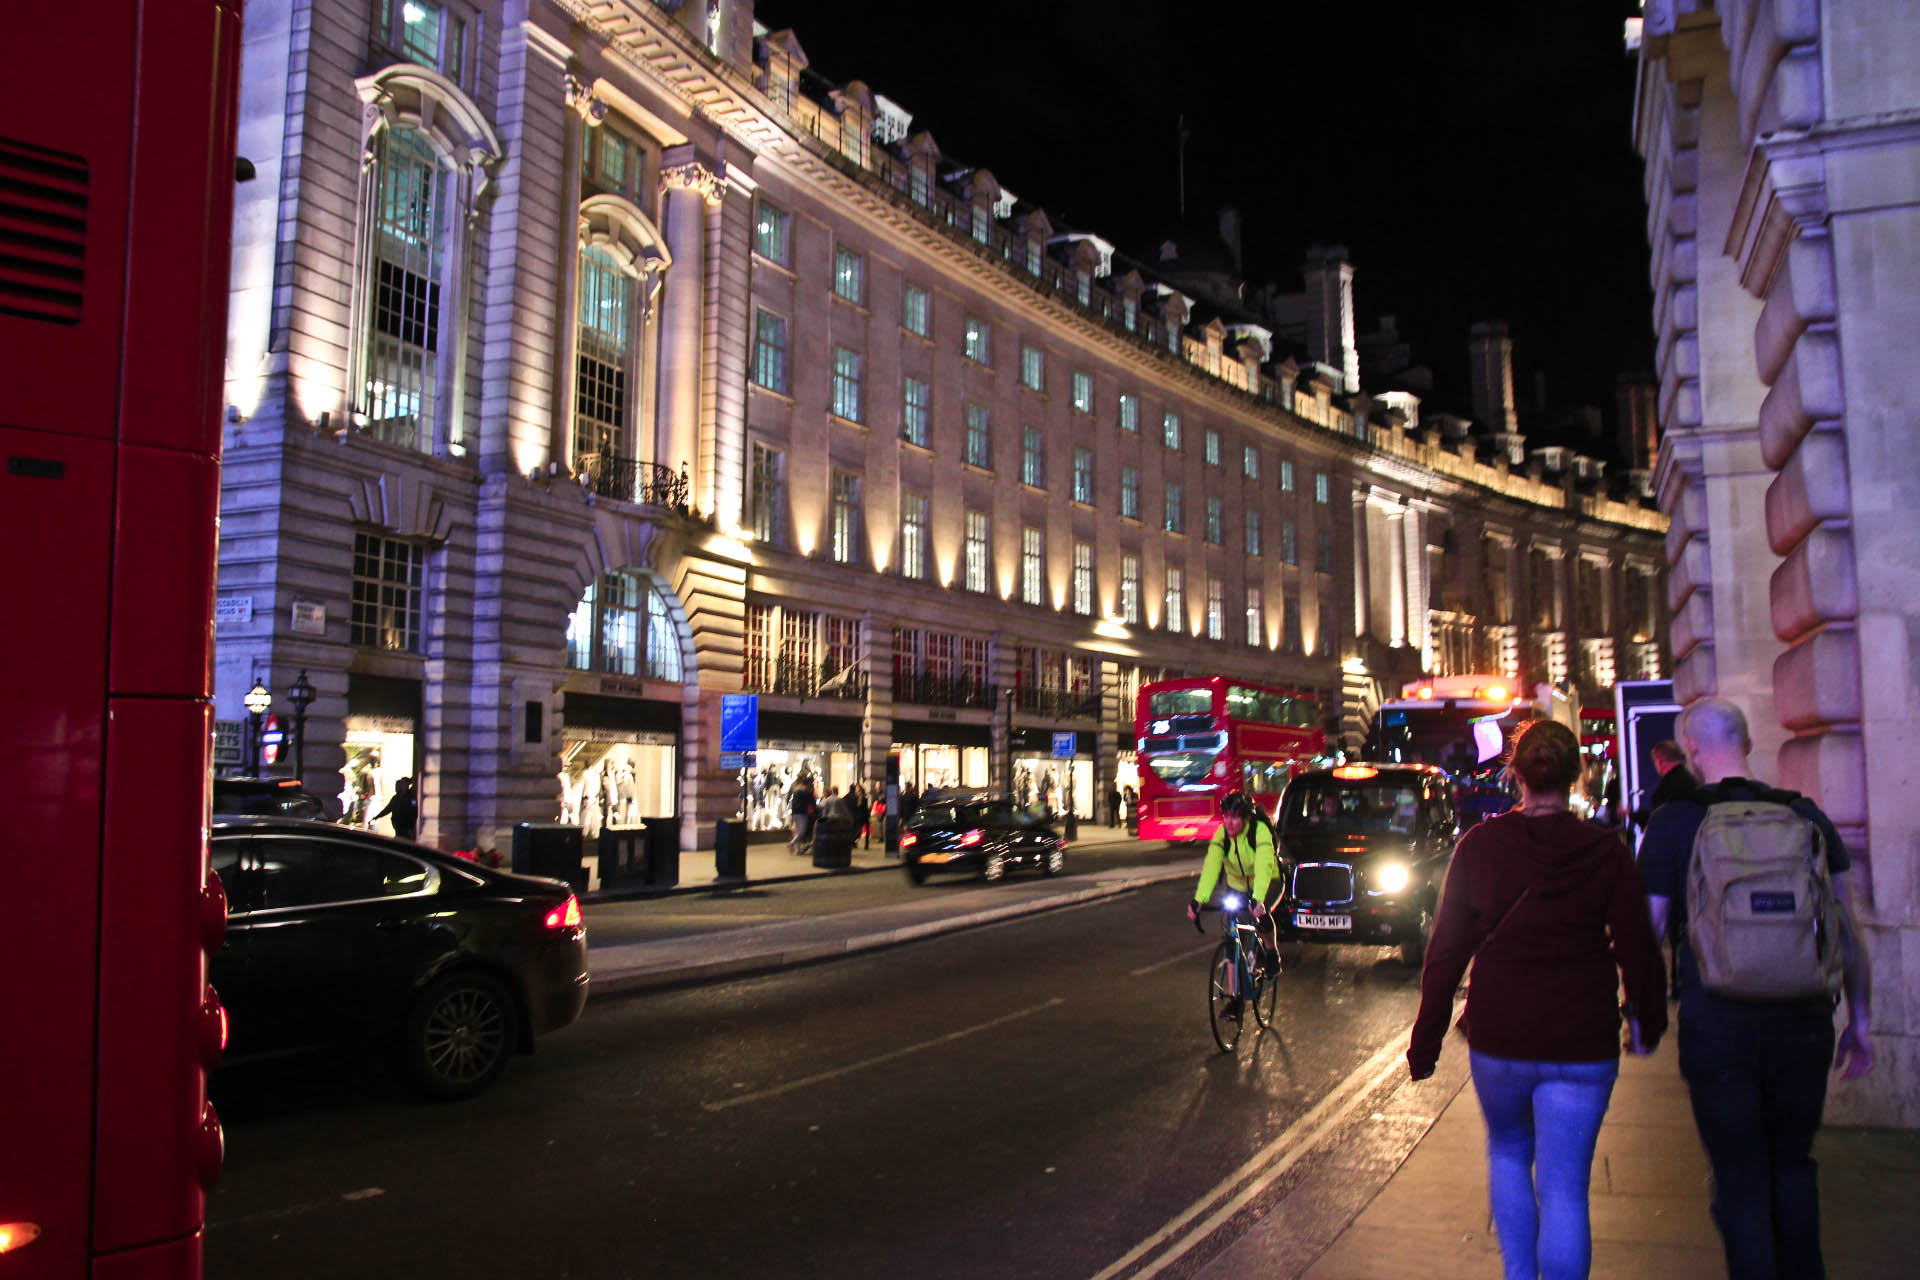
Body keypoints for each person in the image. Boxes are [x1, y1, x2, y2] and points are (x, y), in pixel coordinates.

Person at [1407, 719, 1667, 1280]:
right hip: (1582, 1037)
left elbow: (1446, 954)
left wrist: (1424, 1045)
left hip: (1501, 1035)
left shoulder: (1481, 846)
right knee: (1567, 1188)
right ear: (1575, 776)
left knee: (1506, 1154)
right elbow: (1638, 946)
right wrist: (1648, 1020)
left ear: (1515, 774)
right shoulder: (1605, 850)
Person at [1636, 698, 1873, 1280]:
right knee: (1793, 1166)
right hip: (1804, 1020)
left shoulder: (1674, 821)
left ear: (1690, 750)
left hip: (1717, 1022)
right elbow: (1845, 926)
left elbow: (1654, 930)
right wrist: (1861, 1022)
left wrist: (1643, 1017)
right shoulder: (1805, 815)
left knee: (1739, 1176)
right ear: (1747, 743)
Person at [1184, 790, 1282, 1018]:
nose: (1229, 822)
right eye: (1226, 816)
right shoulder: (1222, 835)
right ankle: (1236, 999)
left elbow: (1264, 865)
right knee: (1231, 942)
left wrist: (1258, 899)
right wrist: (1199, 900)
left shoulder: (1259, 831)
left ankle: (1271, 952)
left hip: (1268, 881)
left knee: (1261, 915)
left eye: (1235, 817)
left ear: (1246, 818)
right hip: (1237, 886)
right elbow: (1211, 867)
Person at [1631, 738, 1696, 829]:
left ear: (1660, 761)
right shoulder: (1690, 779)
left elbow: (1661, 819)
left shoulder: (1668, 786)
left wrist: (1632, 814)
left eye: (1655, 761)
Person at [374, 776, 418, 841]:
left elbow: (414, 811)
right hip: (398, 826)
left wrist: (412, 826)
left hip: (406, 826)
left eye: (403, 783)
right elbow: (388, 809)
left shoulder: (411, 797)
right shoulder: (396, 798)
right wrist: (376, 817)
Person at [788, 770, 816, 853]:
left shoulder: (796, 789)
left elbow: (790, 798)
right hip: (802, 813)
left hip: (794, 812)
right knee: (802, 831)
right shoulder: (807, 792)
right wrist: (814, 809)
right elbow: (812, 802)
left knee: (797, 830)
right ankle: (792, 843)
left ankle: (798, 849)